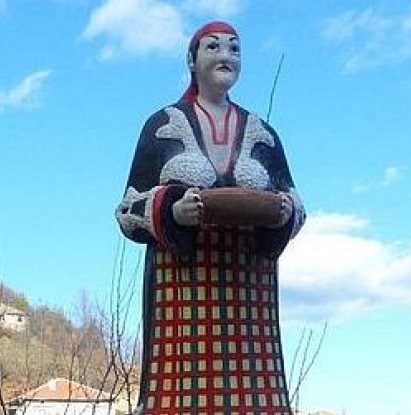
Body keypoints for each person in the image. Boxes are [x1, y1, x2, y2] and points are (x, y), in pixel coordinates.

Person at [116, 21, 306, 415]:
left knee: (255, 396)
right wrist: (172, 210)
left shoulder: (263, 131)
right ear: (192, 59)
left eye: (234, 49)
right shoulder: (162, 124)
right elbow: (127, 209)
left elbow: (296, 203)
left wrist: (283, 213)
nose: (226, 56)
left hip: (249, 291)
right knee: (181, 396)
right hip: (183, 286)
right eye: (214, 47)